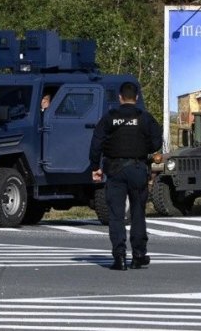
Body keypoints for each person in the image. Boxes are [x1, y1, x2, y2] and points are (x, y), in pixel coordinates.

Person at [89, 81, 162, 271]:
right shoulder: (144, 118)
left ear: (120, 98)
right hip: (138, 169)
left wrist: (95, 166)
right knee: (138, 213)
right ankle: (138, 255)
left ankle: (119, 256)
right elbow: (156, 142)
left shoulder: (109, 118)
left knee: (116, 215)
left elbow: (96, 142)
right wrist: (143, 147)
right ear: (136, 98)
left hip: (115, 171)